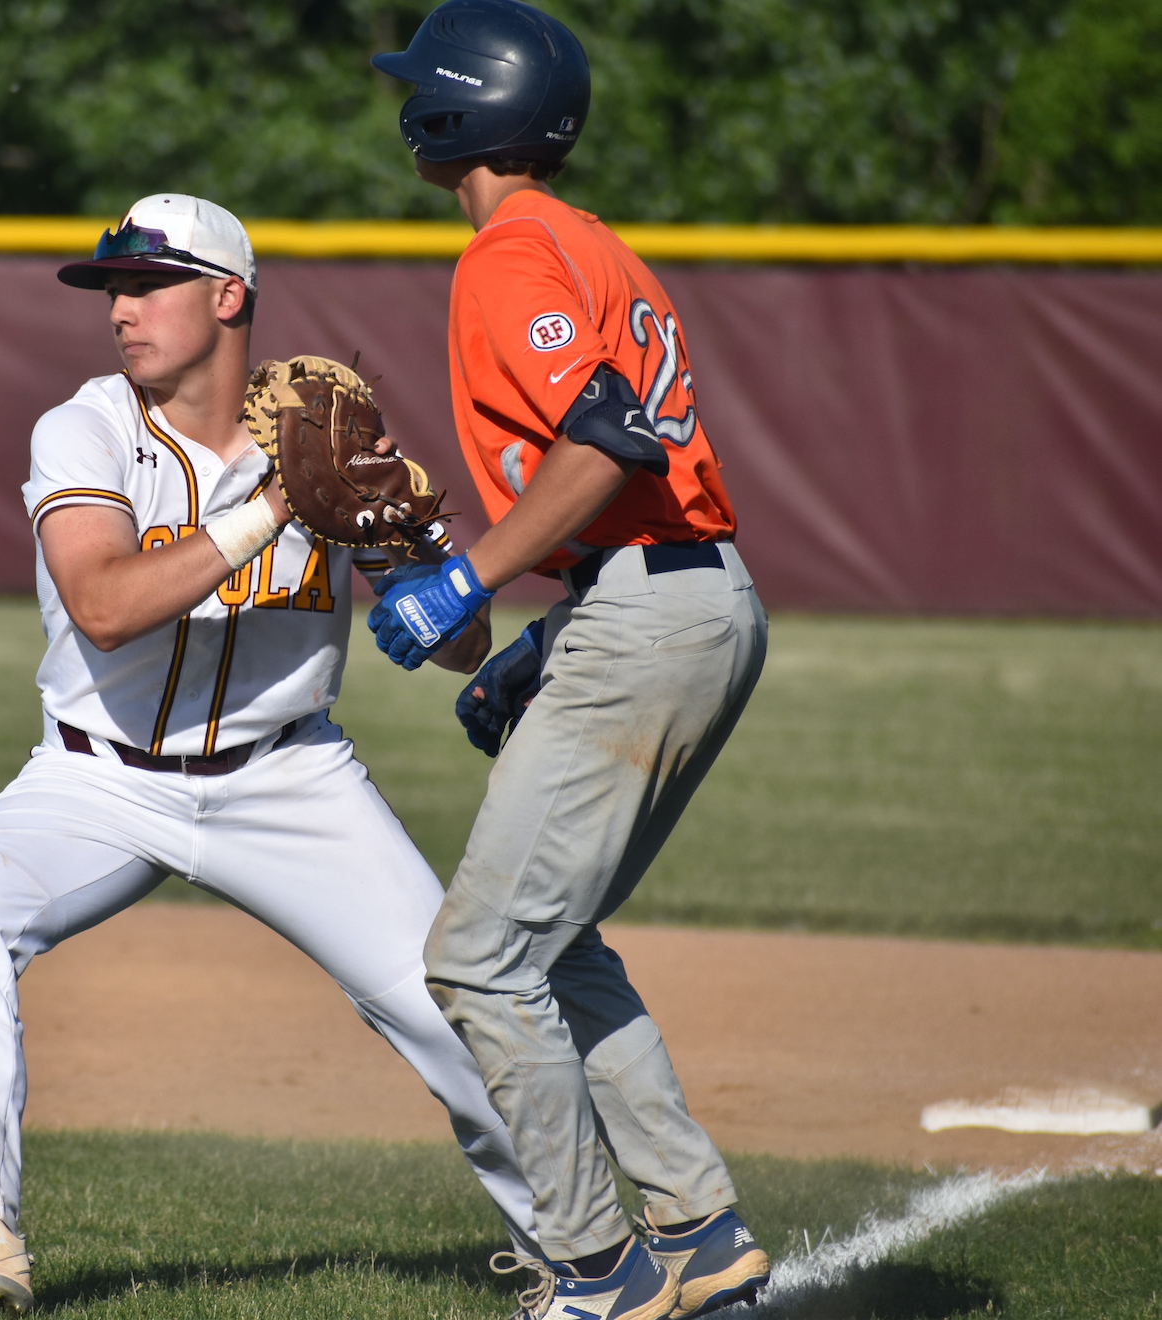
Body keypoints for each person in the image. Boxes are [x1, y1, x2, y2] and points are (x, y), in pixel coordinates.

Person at [0, 194, 539, 1313]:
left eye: (150, 283)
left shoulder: (330, 440)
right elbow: (105, 607)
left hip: (290, 777)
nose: (122, 310)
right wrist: (268, 514)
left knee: (448, 1005)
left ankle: (582, 1255)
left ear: (229, 295)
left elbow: (464, 648)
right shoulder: (87, 426)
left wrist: (407, 547)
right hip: (93, 776)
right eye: (112, 287)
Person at [367, 4, 773, 1318]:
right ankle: (700, 1236)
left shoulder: (512, 252)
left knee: (478, 960)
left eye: (422, 86)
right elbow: (626, 472)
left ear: (462, 112)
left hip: (651, 610)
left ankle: (597, 1274)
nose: (405, 103)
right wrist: (550, 632)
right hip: (677, 599)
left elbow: (606, 445)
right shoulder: (588, 242)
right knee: (552, 940)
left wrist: (466, 583)